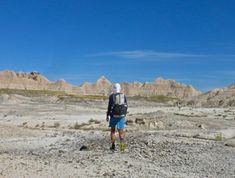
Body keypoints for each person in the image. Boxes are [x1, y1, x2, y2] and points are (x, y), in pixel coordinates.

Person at [106, 83, 128, 152]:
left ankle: (113, 146)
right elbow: (126, 105)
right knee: (121, 132)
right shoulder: (123, 96)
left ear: (114, 88)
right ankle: (122, 148)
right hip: (121, 116)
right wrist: (124, 115)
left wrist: (107, 115)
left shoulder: (111, 96)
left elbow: (109, 107)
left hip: (113, 116)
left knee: (113, 131)